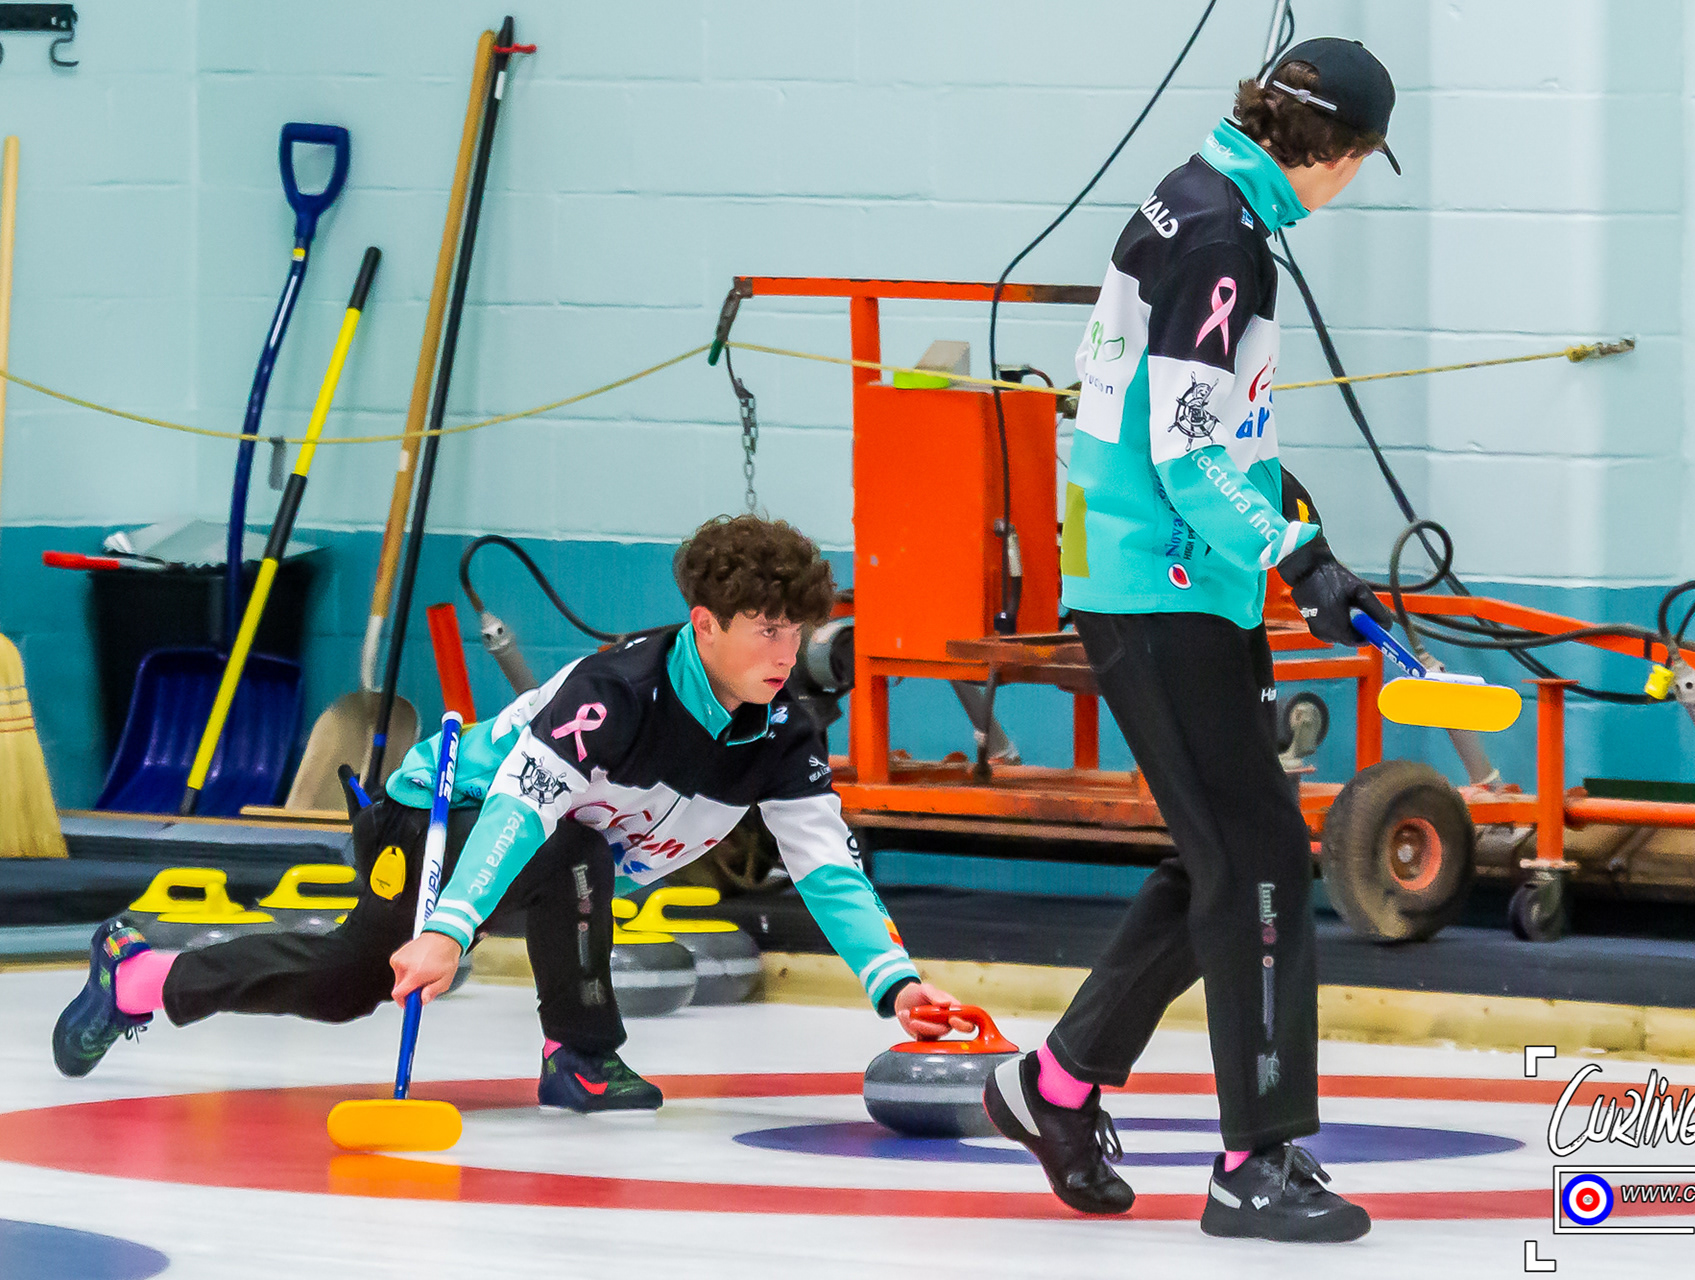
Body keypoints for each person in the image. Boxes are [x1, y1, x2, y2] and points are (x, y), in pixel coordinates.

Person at [54, 515, 964, 1108]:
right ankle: (139, 975)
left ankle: (578, 1055)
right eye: (765, 629)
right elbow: (520, 814)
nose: (785, 652)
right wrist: (449, 932)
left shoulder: (784, 731)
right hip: (440, 812)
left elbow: (827, 864)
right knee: (352, 981)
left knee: (562, 857)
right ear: (704, 624)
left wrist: (897, 984)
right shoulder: (614, 695)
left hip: (548, 848)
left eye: (795, 630)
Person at [982, 39, 1399, 1243]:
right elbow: (1189, 452)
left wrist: (1288, 511)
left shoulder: (1197, 195)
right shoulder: (1222, 237)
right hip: (1160, 582)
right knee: (1258, 858)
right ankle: (1252, 1160)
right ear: (1339, 153)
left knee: (1225, 851)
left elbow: (1196, 420)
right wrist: (1297, 555)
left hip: (1175, 577)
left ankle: (1055, 1083)